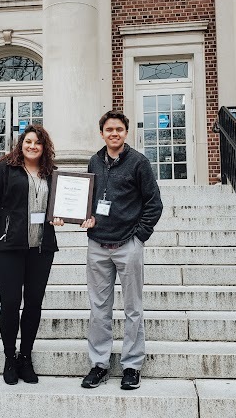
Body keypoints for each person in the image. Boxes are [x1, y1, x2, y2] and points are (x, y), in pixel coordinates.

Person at [80, 110, 163, 390]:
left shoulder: (139, 162)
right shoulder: (94, 161)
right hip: (97, 245)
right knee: (98, 309)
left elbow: (154, 203)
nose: (114, 133)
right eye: (109, 129)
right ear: (101, 133)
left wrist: (139, 237)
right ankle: (99, 364)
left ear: (126, 132)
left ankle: (132, 366)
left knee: (132, 308)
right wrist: (87, 217)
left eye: (119, 129)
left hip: (128, 244)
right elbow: (89, 200)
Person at [0, 124, 61, 385]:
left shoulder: (52, 173)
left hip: (41, 248)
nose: (32, 146)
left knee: (34, 304)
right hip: (8, 247)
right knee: (11, 303)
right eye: (28, 142)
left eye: (38, 142)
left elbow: (58, 207)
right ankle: (9, 357)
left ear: (44, 147)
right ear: (21, 144)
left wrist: (60, 217)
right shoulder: (4, 169)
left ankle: (25, 357)